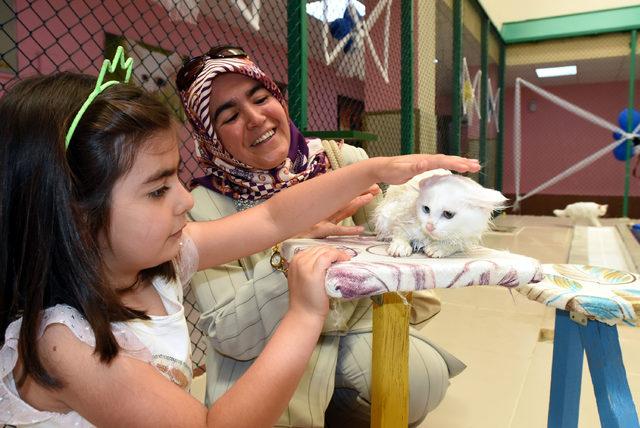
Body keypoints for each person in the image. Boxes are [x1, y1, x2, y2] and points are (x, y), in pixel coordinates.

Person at [0, 53, 480, 426]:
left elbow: (273, 217)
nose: (185, 201)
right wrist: (304, 314)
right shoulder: (65, 345)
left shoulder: (160, 259)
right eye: (157, 189)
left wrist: (376, 169)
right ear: (76, 216)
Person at [178, 46, 468, 427]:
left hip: (356, 327)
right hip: (264, 348)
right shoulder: (201, 206)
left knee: (419, 380)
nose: (254, 118)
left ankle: (341, 402)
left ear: (278, 98)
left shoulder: (342, 163)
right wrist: (291, 250)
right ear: (210, 136)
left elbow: (403, 272)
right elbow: (230, 337)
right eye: (229, 115)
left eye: (261, 98)